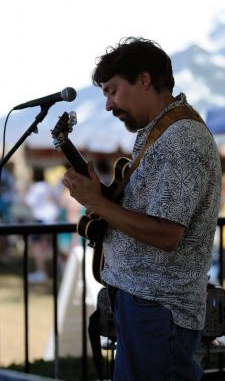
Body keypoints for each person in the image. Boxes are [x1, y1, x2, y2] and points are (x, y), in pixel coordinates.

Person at [62, 37, 222, 380]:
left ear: (144, 80)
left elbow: (167, 234)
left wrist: (96, 202)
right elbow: (144, 214)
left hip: (157, 310)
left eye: (112, 90)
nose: (108, 105)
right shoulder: (160, 133)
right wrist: (102, 195)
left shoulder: (181, 139)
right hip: (146, 306)